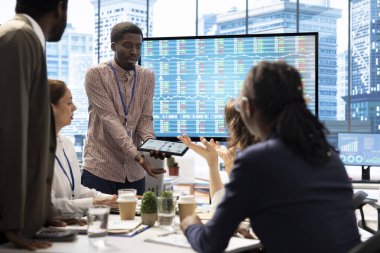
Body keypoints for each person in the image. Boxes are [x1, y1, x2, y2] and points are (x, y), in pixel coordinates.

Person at [181, 61, 361, 253]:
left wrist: (190, 224)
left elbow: (210, 244)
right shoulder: (328, 155)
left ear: (248, 108)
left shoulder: (257, 160)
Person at [0, 0, 68, 250]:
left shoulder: (26, 38)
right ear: (60, 7)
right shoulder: (19, 38)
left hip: (25, 224)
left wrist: (44, 212)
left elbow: (33, 136)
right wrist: (12, 225)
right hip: (10, 230)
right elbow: (10, 132)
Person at [82, 22, 166, 196]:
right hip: (101, 168)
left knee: (135, 222)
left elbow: (145, 117)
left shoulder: (147, 76)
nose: (134, 51)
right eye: (128, 45)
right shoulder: (96, 74)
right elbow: (109, 119)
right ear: (114, 46)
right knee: (99, 222)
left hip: (135, 173)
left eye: (138, 46)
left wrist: (150, 143)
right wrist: (138, 155)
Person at [49, 79, 118, 218]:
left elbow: (77, 191)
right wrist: (95, 202)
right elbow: (49, 206)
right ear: (51, 108)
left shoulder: (66, 144)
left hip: (69, 223)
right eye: (69, 102)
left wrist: (115, 199)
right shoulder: (34, 150)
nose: (74, 107)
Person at [178, 99, 257, 210]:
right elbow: (218, 205)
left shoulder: (259, 161)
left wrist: (231, 169)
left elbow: (237, 210)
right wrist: (212, 162)